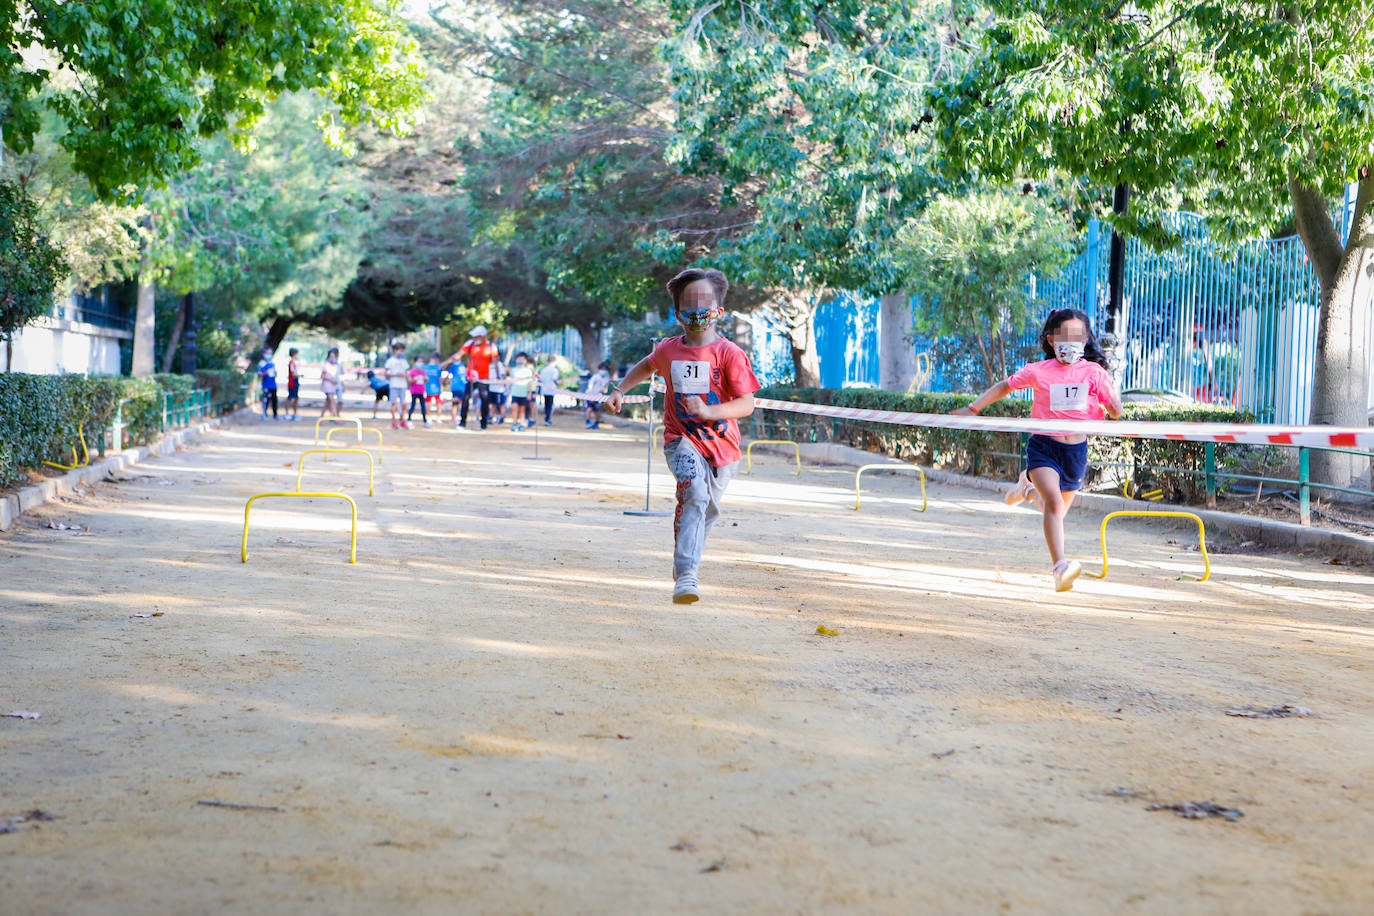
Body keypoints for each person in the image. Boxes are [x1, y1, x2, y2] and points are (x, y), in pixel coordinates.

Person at [605, 267, 760, 605]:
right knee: (694, 495)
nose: (697, 312)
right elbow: (648, 365)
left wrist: (709, 412)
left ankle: (688, 560)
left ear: (719, 311)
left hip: (722, 448)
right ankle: (687, 574)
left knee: (707, 509)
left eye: (704, 304)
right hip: (680, 440)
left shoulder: (729, 354)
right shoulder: (668, 349)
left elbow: (746, 404)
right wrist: (619, 389)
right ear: (677, 314)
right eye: (689, 306)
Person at [951, 308, 1122, 592]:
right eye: (1064, 336)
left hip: (1075, 453)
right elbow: (1004, 386)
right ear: (1051, 339)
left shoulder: (1094, 372)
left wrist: (1114, 406)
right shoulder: (1038, 371)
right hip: (1043, 447)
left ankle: (1026, 491)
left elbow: (1114, 410)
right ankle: (1060, 569)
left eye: (1078, 336)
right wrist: (973, 408)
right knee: (1053, 504)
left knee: (1055, 512)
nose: (1071, 342)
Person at [441, 326, 501, 430]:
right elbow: (458, 355)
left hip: (484, 378)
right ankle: (462, 423)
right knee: (465, 398)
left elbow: (495, 362)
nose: (474, 338)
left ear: (482, 336)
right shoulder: (470, 344)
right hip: (471, 377)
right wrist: (446, 362)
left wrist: (497, 376)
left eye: (476, 336)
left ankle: (484, 424)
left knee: (485, 399)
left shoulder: (491, 346)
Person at [384, 341, 411, 429]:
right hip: (394, 385)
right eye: (399, 350)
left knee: (404, 404)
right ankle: (394, 421)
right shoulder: (390, 361)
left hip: (403, 385)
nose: (400, 352)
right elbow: (386, 373)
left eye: (402, 350)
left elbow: (407, 373)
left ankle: (403, 420)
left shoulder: (404, 361)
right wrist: (395, 375)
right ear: (394, 350)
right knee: (394, 404)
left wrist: (405, 376)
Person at [508, 352, 535, 431]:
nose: (520, 360)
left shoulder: (528, 371)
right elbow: (511, 381)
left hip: (523, 393)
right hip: (515, 392)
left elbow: (530, 383)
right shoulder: (513, 370)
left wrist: (529, 392)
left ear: (526, 360)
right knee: (514, 408)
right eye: (519, 358)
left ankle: (521, 424)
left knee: (522, 409)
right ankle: (514, 423)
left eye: (522, 359)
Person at [584, 362, 611, 429]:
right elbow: (590, 387)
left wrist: (604, 389)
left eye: (605, 369)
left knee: (597, 410)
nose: (604, 370)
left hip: (598, 397)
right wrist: (591, 397)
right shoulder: (595, 377)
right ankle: (587, 422)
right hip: (590, 395)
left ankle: (596, 423)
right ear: (599, 369)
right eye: (602, 369)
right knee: (589, 408)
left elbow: (605, 390)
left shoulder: (606, 379)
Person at [407, 355, 431, 427]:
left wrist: (426, 379)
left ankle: (425, 421)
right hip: (414, 392)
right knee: (413, 406)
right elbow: (409, 381)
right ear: (415, 362)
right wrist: (414, 379)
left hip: (421, 392)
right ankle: (409, 419)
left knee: (423, 406)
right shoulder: (412, 371)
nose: (420, 363)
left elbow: (425, 380)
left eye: (421, 362)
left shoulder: (423, 372)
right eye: (419, 361)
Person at [320, 347, 344, 418]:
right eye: (331, 356)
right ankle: (336, 417)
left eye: (333, 356)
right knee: (332, 401)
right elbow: (322, 376)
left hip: (333, 386)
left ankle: (321, 418)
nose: (332, 358)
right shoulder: (326, 364)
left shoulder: (336, 365)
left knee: (327, 403)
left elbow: (340, 376)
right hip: (327, 386)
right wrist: (331, 380)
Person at [538, 354, 561, 426]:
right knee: (550, 405)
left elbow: (540, 380)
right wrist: (558, 384)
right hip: (551, 390)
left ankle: (547, 418)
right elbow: (554, 379)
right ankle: (548, 419)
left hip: (545, 389)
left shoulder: (543, 370)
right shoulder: (554, 370)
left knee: (546, 404)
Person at [256, 347, 279, 420]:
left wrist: (275, 373)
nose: (269, 355)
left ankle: (275, 415)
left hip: (273, 384)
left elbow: (274, 374)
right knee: (266, 400)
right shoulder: (261, 363)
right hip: (266, 385)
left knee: (274, 400)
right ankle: (264, 414)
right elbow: (259, 374)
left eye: (270, 353)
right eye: (268, 353)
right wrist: (265, 373)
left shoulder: (272, 363)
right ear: (264, 354)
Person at [447, 356, 468, 426]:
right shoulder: (453, 366)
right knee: (457, 403)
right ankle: (453, 418)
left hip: (463, 386)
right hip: (456, 386)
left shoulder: (464, 365)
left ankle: (455, 418)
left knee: (457, 403)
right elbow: (450, 376)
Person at [284, 348, 301, 420]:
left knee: (296, 398)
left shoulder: (294, 363)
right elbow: (293, 374)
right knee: (290, 398)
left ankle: (295, 413)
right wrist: (299, 375)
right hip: (292, 383)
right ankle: (287, 413)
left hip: (295, 382)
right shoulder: (291, 363)